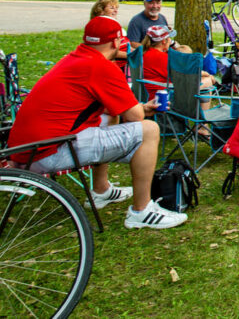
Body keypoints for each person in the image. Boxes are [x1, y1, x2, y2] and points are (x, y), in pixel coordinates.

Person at [7, 17, 187, 229]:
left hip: (25, 150)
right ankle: (142, 211)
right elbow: (136, 117)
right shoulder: (101, 66)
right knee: (149, 130)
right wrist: (141, 109)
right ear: (115, 42)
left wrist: (137, 108)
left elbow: (119, 110)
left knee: (109, 115)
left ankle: (101, 191)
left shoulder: (74, 58)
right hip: (46, 153)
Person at [126, 0, 191, 52]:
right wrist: (153, 50)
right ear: (144, 4)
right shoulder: (136, 21)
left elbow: (167, 39)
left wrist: (178, 47)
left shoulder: (162, 18)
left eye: (158, 3)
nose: (155, 6)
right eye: (151, 3)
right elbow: (132, 43)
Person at [91, 0, 127, 69]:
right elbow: (106, 51)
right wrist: (132, 55)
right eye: (112, 8)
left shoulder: (115, 26)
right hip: (114, 66)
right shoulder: (100, 28)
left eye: (116, 8)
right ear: (101, 11)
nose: (116, 11)